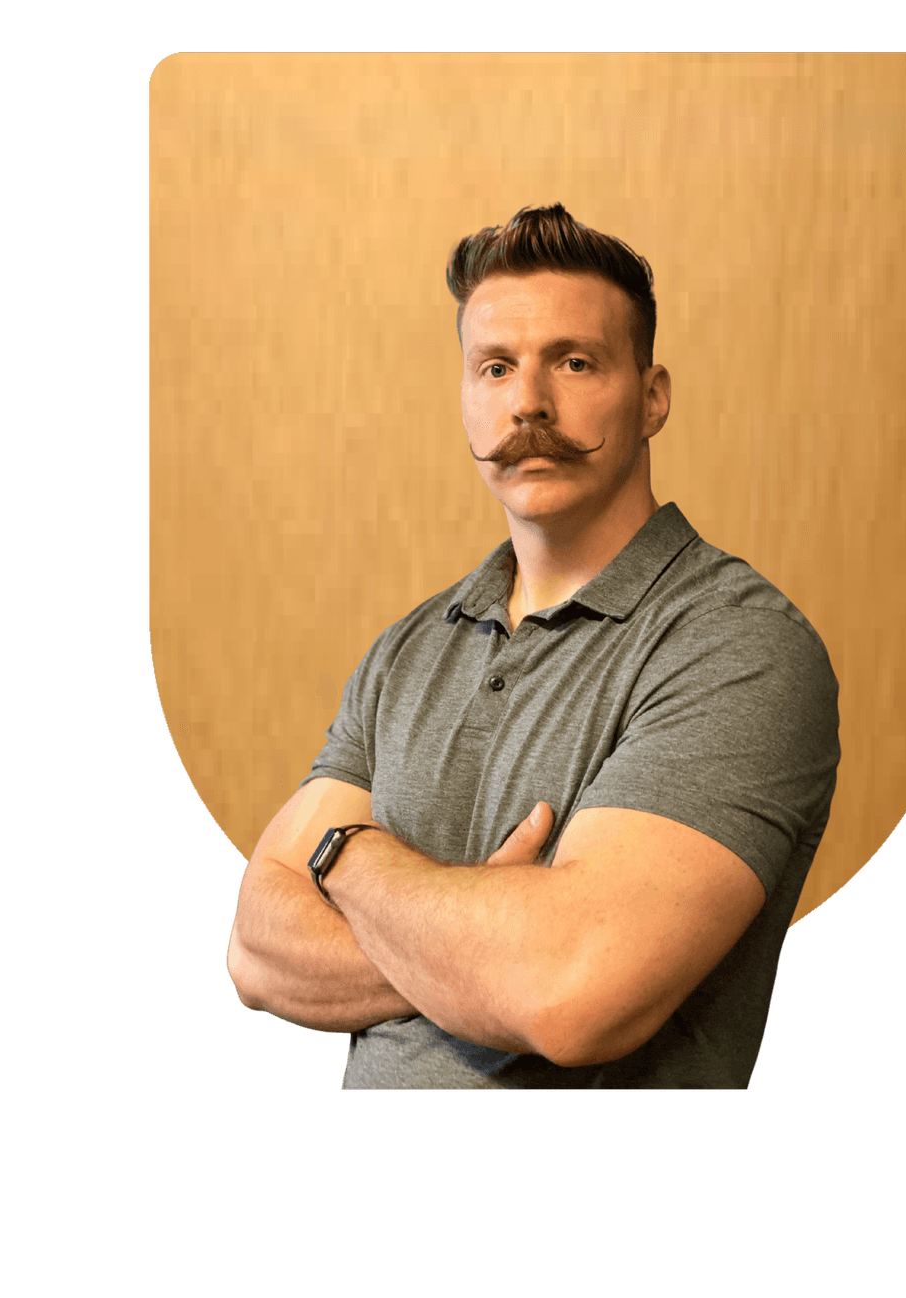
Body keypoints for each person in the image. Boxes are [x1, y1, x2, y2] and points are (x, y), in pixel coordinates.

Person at [223, 204, 840, 1088]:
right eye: (496, 367)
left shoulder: (736, 646)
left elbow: (571, 991)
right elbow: (255, 950)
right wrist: (482, 935)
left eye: (575, 362)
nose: (529, 403)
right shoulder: (406, 653)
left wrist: (349, 858)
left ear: (653, 395)